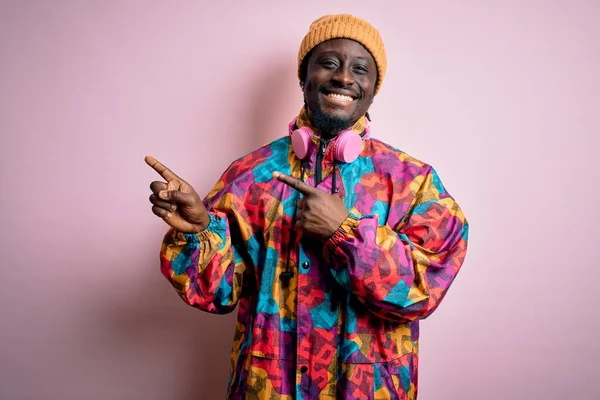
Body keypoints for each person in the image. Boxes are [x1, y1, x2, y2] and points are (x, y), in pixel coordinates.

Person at [146, 14, 468, 400]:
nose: (344, 78)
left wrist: (345, 232)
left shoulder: (412, 182)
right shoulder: (249, 175)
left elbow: (424, 288)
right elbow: (218, 294)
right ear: (303, 78)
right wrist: (200, 232)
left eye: (360, 69)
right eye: (329, 63)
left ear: (372, 89)